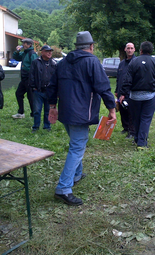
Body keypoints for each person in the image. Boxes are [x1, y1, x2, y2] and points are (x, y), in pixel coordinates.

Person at [47, 31, 116, 206]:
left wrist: (52, 107)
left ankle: (77, 174)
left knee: (75, 144)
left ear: (76, 47)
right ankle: (63, 188)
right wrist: (112, 110)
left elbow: (52, 86)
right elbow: (103, 87)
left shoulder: (62, 63)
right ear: (91, 47)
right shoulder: (92, 61)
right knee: (77, 147)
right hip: (80, 114)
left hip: (65, 112)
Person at [119, 41, 155, 150]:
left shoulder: (134, 62)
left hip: (134, 96)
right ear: (151, 51)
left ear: (140, 50)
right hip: (149, 96)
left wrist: (124, 93)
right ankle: (141, 143)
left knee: (136, 118)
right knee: (146, 119)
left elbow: (127, 79)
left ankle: (137, 138)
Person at [29, 45, 57, 132]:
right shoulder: (36, 62)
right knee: (37, 110)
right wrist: (33, 87)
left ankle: (47, 127)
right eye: (47, 51)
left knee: (48, 111)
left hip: (49, 92)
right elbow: (31, 75)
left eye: (51, 51)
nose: (50, 53)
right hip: (38, 91)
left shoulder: (54, 63)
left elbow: (56, 77)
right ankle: (36, 127)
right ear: (42, 52)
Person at [11, 38, 38, 119]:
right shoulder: (24, 53)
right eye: (23, 43)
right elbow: (16, 57)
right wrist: (17, 51)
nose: (23, 45)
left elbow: (35, 66)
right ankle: (21, 112)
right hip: (24, 79)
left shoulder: (32, 53)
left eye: (25, 43)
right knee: (18, 93)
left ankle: (33, 114)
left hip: (29, 78)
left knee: (31, 97)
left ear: (29, 44)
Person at [115, 42, 136, 139]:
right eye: (128, 48)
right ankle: (125, 128)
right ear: (125, 49)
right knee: (122, 110)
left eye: (131, 48)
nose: (130, 50)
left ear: (134, 49)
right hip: (120, 92)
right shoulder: (122, 64)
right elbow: (118, 78)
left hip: (131, 92)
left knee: (130, 112)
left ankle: (132, 131)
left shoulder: (136, 62)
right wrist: (117, 90)